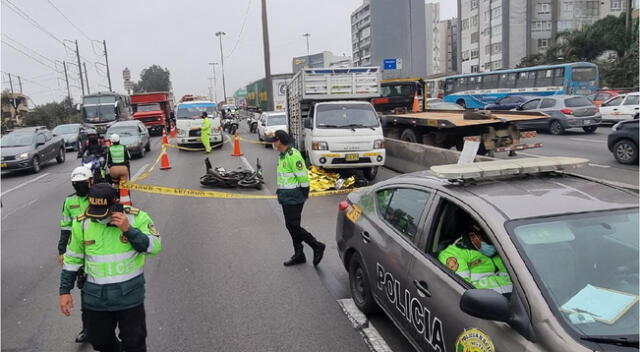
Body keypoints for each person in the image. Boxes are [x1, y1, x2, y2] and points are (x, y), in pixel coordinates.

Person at [59, 183, 162, 352]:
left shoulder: (137, 218)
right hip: (96, 297)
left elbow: (154, 247)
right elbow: (72, 260)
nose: (98, 218)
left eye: (103, 213)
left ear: (115, 203)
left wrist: (128, 230)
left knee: (135, 342)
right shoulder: (82, 223)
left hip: (129, 296)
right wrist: (64, 291)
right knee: (99, 342)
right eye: (94, 212)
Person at [273, 130, 325, 266]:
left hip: (294, 197)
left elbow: (303, 177)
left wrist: (303, 193)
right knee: (290, 226)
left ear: (279, 141)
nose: (273, 144)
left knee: (294, 226)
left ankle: (316, 245)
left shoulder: (293, 155)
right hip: (286, 197)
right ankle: (299, 254)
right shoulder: (282, 156)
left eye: (274, 141)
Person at [58, 166, 93, 343]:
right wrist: (61, 250)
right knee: (84, 290)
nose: (80, 186)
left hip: (98, 248)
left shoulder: (98, 197)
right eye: (76, 184)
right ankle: (87, 329)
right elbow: (65, 227)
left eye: (83, 183)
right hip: (78, 250)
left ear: (90, 182)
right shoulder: (69, 201)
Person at [438, 222, 512, 295]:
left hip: (512, 297)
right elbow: (462, 290)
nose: (493, 243)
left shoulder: (499, 247)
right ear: (472, 236)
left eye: (495, 239)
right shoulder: (452, 255)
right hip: (483, 301)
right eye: (488, 240)